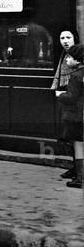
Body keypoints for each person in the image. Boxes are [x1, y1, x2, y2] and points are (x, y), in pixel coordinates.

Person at [51, 29, 81, 179]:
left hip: (74, 102)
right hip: (67, 100)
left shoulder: (77, 56)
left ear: (75, 38)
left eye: (68, 37)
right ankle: (75, 168)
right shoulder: (64, 55)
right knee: (70, 137)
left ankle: (78, 170)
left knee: (76, 138)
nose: (65, 40)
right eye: (62, 37)